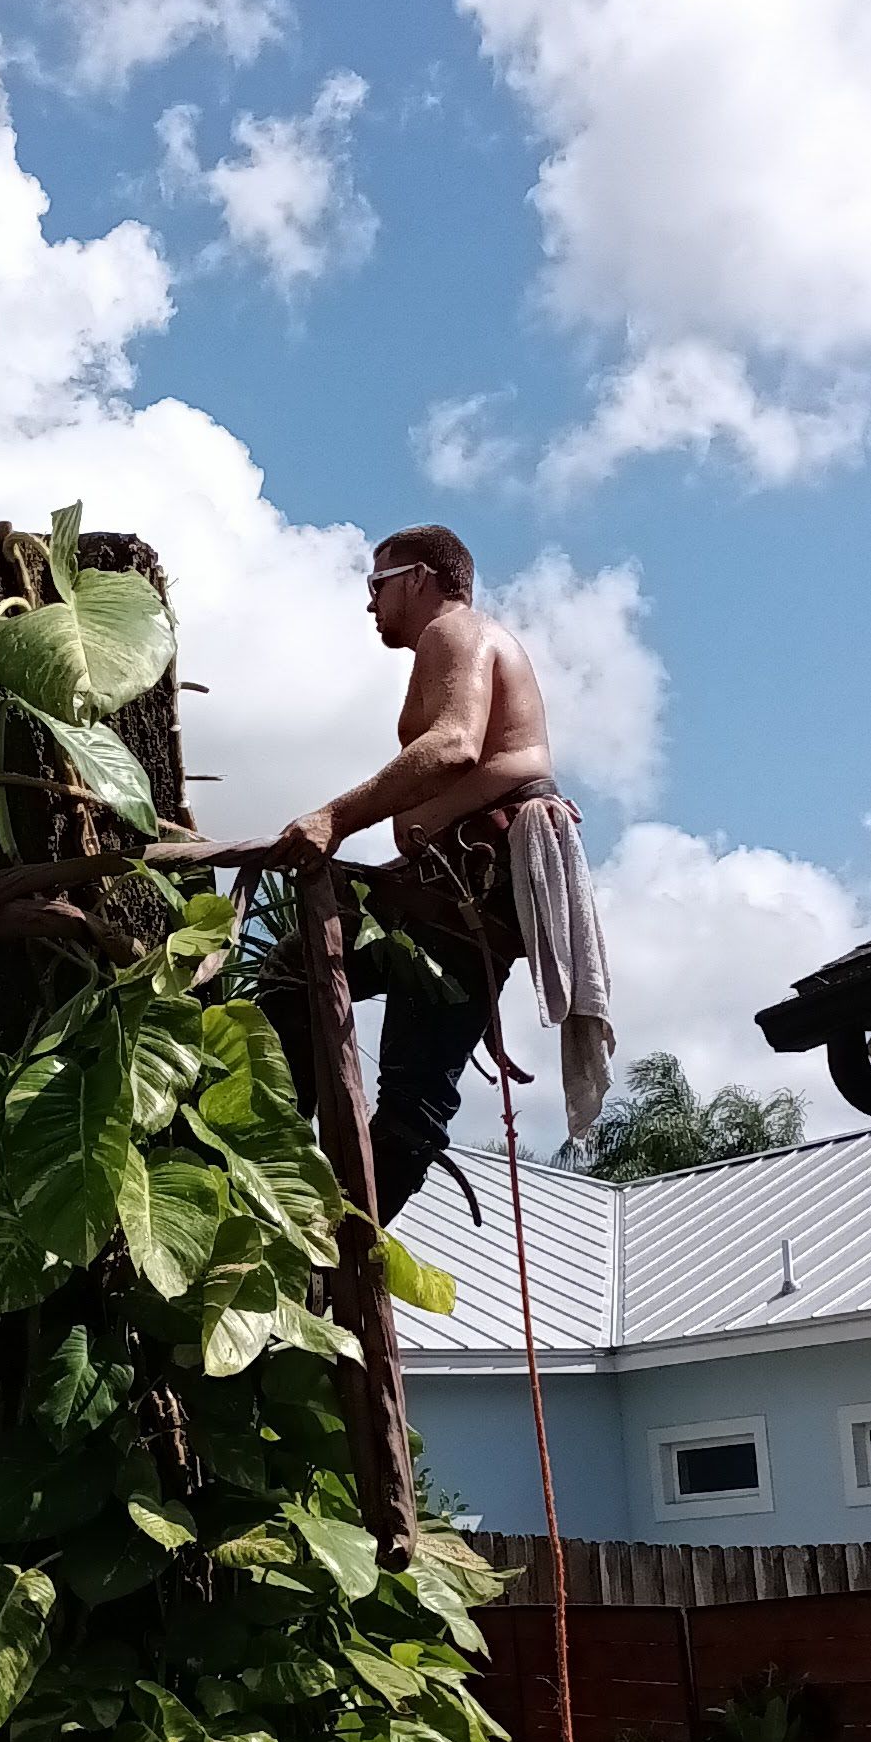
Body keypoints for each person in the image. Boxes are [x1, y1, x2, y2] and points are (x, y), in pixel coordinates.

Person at [269, 522, 569, 1220]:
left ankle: (331, 1233)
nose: (370, 604)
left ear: (419, 579)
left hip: (465, 897)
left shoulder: (454, 630)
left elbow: (454, 746)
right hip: (454, 898)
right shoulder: (459, 640)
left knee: (402, 1088)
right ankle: (311, 1205)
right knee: (299, 984)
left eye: (377, 585)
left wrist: (332, 819)